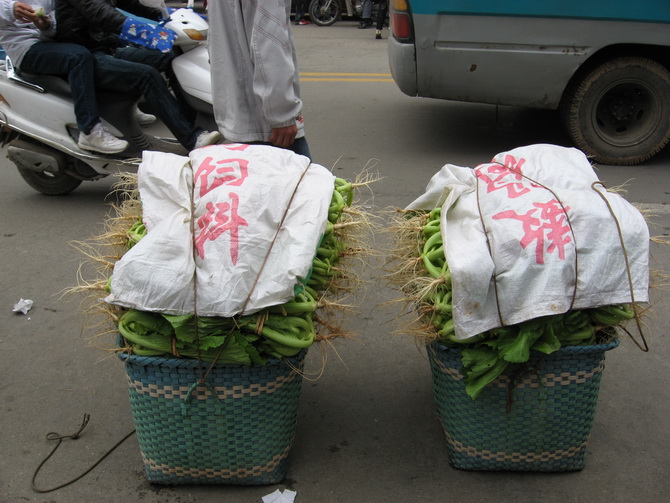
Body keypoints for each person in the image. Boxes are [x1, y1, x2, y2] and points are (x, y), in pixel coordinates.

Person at [54, 0, 221, 152]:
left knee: (171, 59)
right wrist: (143, 31)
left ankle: (191, 124)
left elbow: (130, 4)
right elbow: (102, 14)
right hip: (87, 55)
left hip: (105, 46)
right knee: (147, 76)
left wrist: (166, 15)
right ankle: (191, 139)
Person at [0, 0, 129, 154]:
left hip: (49, 42)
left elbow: (54, 23)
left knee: (103, 43)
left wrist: (46, 25)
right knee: (77, 57)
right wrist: (10, 9)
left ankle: (124, 109)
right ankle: (90, 131)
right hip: (24, 47)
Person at [207, 0, 311, 160]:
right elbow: (270, 42)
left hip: (240, 111)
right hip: (267, 123)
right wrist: (282, 115)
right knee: (302, 174)